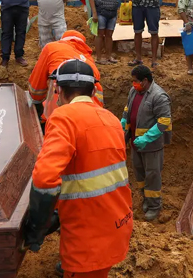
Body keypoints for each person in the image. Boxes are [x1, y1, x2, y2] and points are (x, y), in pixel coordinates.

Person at [23, 59, 132, 278]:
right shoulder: (110, 119)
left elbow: (44, 179)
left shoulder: (63, 118)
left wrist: (37, 227)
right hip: (118, 225)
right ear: (93, 90)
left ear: (58, 89)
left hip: (87, 238)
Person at [120, 65, 171, 221]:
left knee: (152, 175)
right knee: (140, 174)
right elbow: (128, 111)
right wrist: (123, 125)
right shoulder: (133, 92)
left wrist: (147, 138)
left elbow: (164, 122)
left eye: (135, 81)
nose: (133, 84)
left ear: (145, 80)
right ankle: (145, 199)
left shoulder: (159, 96)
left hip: (151, 146)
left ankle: (154, 205)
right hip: (136, 144)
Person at [28, 30, 104, 126]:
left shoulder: (52, 48)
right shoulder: (89, 61)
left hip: (58, 118)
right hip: (94, 118)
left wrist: (37, 103)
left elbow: (36, 89)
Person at [88, 0, 124, 64]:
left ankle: (109, 56)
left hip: (112, 13)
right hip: (100, 12)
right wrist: (94, 13)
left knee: (109, 34)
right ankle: (99, 58)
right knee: (100, 34)